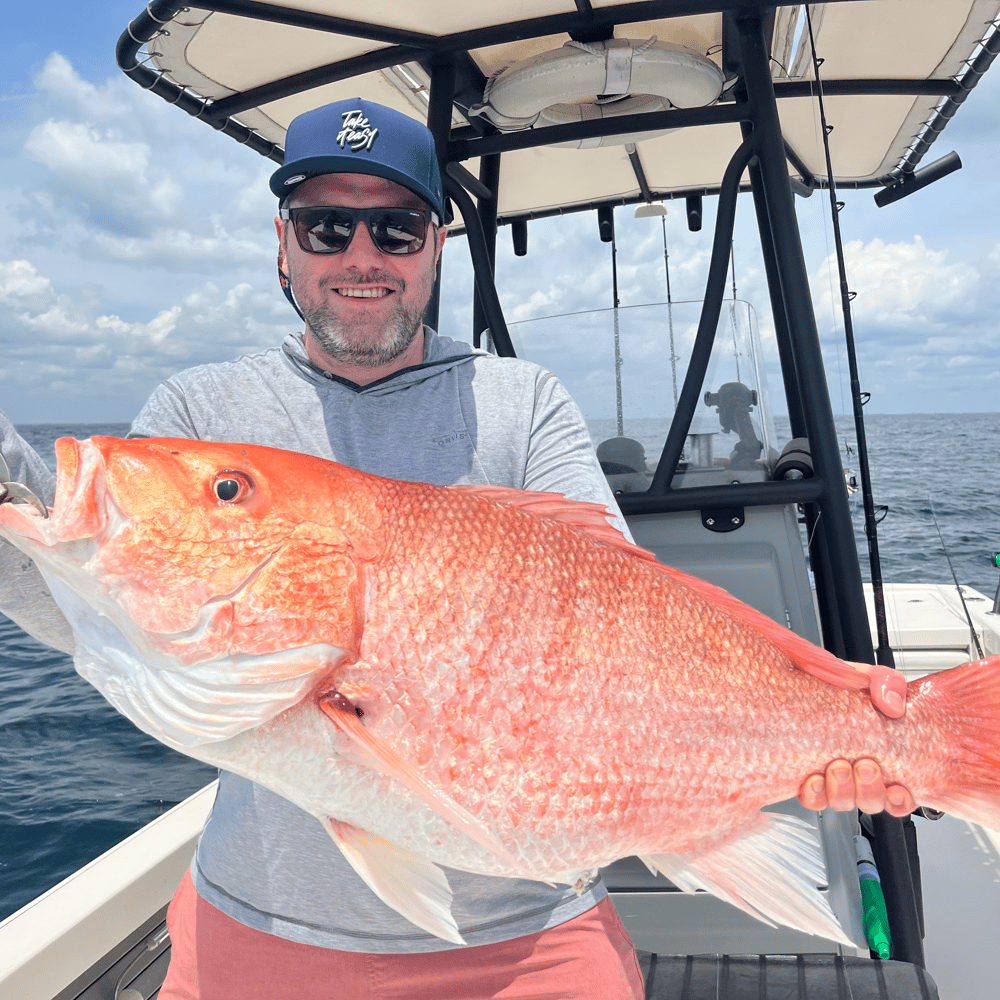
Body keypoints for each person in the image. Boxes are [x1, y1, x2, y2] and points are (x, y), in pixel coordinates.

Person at [0, 99, 914, 999]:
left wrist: (834, 715)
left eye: (395, 229)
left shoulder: (523, 402)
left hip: (531, 936)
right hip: (257, 924)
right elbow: (95, 611)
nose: (361, 257)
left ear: (436, 245)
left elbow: (630, 609)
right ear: (282, 243)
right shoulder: (197, 415)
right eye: (326, 228)